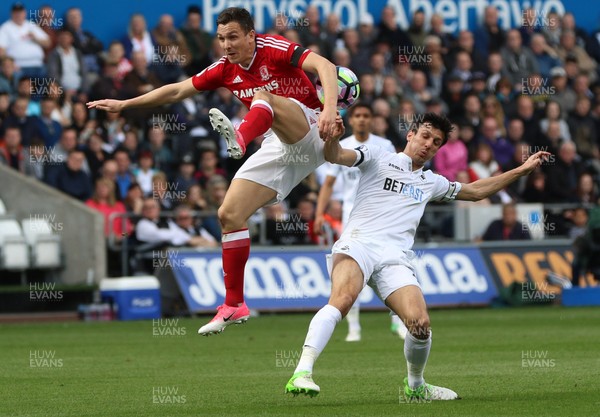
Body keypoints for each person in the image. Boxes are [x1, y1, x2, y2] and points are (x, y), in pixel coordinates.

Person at [87, 7, 339, 336]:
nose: (226, 44)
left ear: (251, 35)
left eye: (233, 37)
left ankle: (239, 135)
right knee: (229, 214)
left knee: (264, 96)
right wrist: (125, 104)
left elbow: (326, 66)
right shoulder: (224, 69)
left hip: (311, 126)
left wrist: (330, 112)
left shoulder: (273, 47)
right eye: (221, 38)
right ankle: (235, 304)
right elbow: (177, 90)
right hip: (281, 143)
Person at [285, 113, 549, 399]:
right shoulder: (378, 156)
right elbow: (335, 155)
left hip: (395, 258)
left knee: (420, 324)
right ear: (410, 135)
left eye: (436, 142)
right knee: (342, 300)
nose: (428, 144)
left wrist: (520, 171)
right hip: (358, 243)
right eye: (425, 136)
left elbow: (474, 191)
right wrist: (334, 136)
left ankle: (416, 387)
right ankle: (302, 372)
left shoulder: (431, 182)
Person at [314, 103, 402, 342]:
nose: (362, 119)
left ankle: (398, 322)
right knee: (350, 274)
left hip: (382, 219)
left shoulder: (384, 146)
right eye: (358, 116)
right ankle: (354, 328)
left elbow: (398, 178)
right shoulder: (343, 146)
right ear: (351, 120)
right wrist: (319, 213)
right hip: (351, 221)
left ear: (372, 119)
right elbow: (329, 184)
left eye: (366, 116)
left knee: (391, 267)